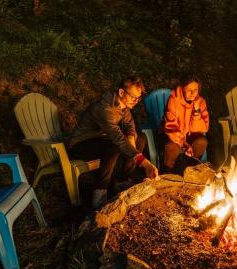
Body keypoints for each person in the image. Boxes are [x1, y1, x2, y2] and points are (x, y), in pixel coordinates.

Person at [68, 76, 158, 209]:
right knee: (114, 145)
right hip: (81, 144)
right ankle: (100, 193)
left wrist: (131, 137)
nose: (136, 101)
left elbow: (130, 125)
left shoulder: (124, 107)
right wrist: (144, 162)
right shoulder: (104, 109)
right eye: (133, 97)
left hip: (103, 141)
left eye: (138, 98)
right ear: (121, 92)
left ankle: (123, 180)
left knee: (141, 138)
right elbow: (118, 138)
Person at [162, 75, 209, 173]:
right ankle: (169, 174)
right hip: (174, 136)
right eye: (189, 90)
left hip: (190, 136)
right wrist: (184, 143)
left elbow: (203, 128)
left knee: (202, 141)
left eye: (195, 90)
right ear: (183, 88)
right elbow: (170, 126)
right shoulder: (173, 100)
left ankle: (191, 171)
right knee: (172, 147)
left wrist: (196, 111)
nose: (193, 93)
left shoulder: (200, 102)